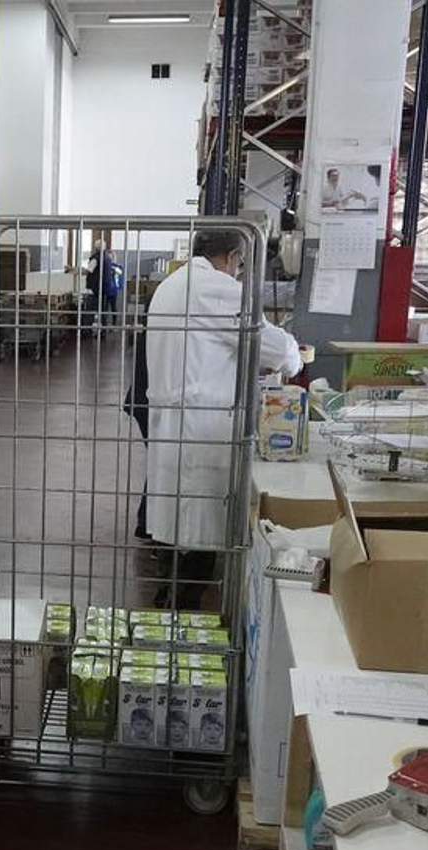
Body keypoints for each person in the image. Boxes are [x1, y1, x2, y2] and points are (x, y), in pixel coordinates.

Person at [144, 229, 301, 606]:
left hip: (175, 423)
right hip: (201, 426)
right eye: (240, 264)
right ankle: (182, 609)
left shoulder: (173, 284)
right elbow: (275, 347)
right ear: (232, 257)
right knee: (199, 530)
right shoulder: (214, 288)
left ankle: (171, 599)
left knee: (180, 528)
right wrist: (295, 356)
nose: (238, 271)